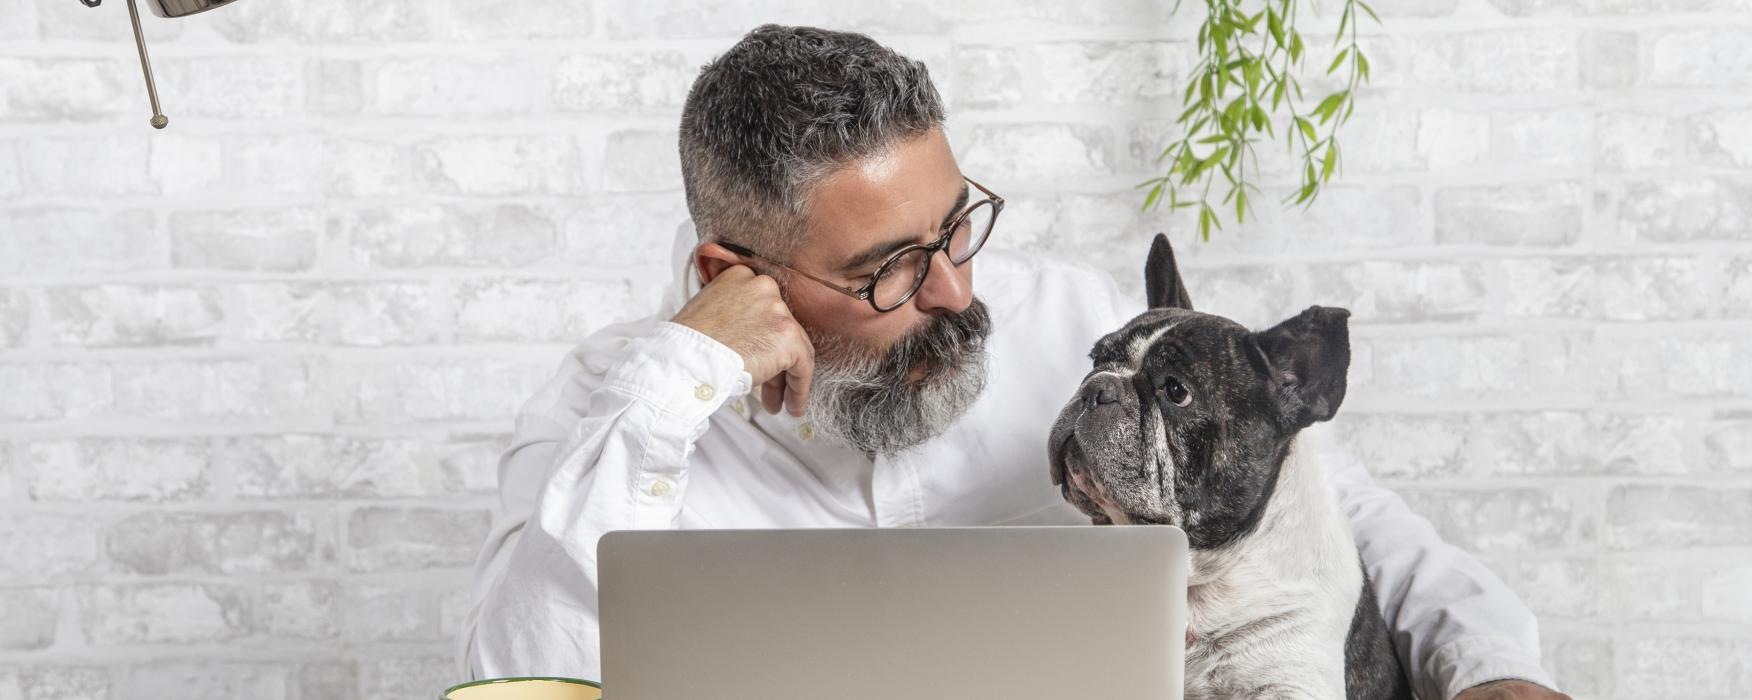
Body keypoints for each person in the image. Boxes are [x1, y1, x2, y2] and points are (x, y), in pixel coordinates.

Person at [458, 24, 1570, 700]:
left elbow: (1341, 517)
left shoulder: (1086, 333)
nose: (955, 290)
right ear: (732, 270)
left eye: (957, 227)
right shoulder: (610, 424)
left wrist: (1486, 663)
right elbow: (528, 671)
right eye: (892, 267)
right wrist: (678, 376)